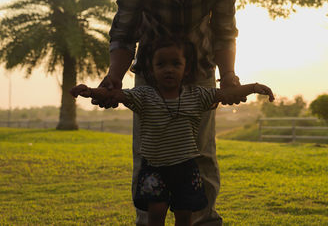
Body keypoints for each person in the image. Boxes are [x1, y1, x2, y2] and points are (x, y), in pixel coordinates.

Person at [96, 0, 241, 224]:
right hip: (151, 75)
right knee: (149, 153)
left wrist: (228, 76)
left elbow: (224, 32)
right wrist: (114, 78)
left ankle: (203, 220)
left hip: (200, 74)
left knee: (202, 153)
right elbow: (124, 33)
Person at [71, 38, 274, 226]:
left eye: (176, 64)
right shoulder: (144, 96)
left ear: (186, 70)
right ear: (151, 70)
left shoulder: (197, 95)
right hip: (154, 169)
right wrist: (90, 91)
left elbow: (227, 93)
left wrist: (254, 87)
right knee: (156, 214)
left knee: (184, 217)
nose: (169, 69)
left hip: (185, 169)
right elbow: (114, 94)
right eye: (161, 64)